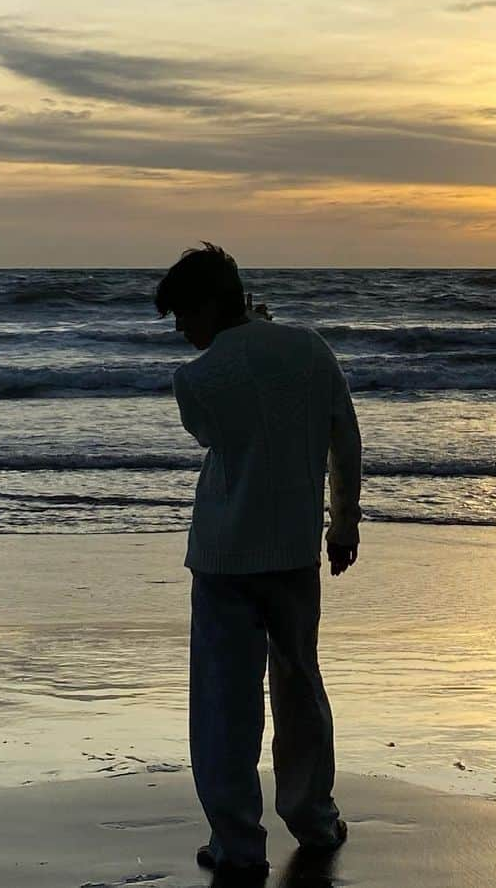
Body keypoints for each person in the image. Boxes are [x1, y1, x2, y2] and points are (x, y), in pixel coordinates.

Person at [155, 245, 362, 882]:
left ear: (213, 304)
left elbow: (220, 439)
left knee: (224, 700)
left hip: (223, 552)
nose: (182, 331)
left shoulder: (196, 379)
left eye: (185, 315)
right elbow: (343, 433)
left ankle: (238, 842)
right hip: (294, 549)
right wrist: (344, 518)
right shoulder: (309, 347)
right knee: (299, 684)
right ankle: (314, 815)